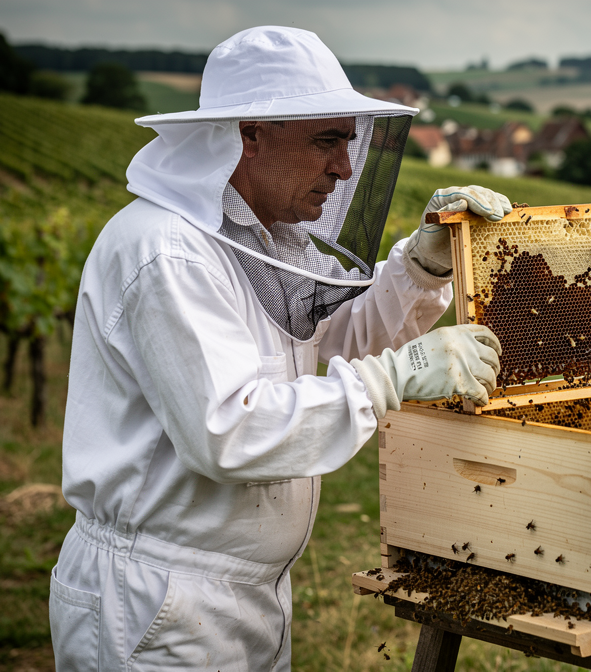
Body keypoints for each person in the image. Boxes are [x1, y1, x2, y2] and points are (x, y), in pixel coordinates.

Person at [49, 26, 511, 670]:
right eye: (326, 141)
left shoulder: (265, 242)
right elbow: (230, 430)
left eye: (348, 143)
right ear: (246, 135)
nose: (344, 167)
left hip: (242, 592)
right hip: (158, 600)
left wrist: (423, 266)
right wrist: (394, 378)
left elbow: (341, 340)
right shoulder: (169, 250)